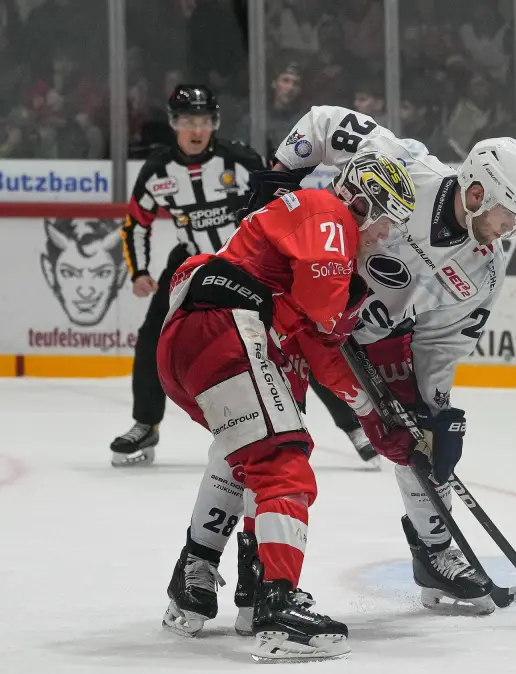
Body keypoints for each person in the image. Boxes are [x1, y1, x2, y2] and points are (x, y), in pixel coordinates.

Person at [243, 105, 516, 613]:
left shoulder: (484, 272)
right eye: (506, 215)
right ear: (477, 194)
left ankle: (436, 557)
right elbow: (323, 123)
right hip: (299, 305)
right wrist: (282, 175)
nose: (509, 229)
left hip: (368, 336)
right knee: (267, 434)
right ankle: (236, 564)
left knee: (419, 436)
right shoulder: (406, 164)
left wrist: (434, 411)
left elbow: (442, 344)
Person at [157, 146, 418, 661]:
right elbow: (323, 309)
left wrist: (370, 413)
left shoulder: (309, 237)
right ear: (364, 203)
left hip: (199, 340)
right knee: (282, 463)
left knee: (249, 455)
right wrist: (347, 308)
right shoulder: (329, 213)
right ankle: (279, 610)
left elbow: (322, 351)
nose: (386, 235)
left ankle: (204, 584)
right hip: (227, 327)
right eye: (387, 221)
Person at [111, 85, 379, 468]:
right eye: (187, 121)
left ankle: (352, 426)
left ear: (215, 122)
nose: (196, 129)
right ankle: (145, 423)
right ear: (173, 123)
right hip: (195, 266)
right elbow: (136, 223)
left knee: (304, 336)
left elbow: (282, 200)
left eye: (204, 120)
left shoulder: (239, 160)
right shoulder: (156, 171)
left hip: (250, 266)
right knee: (153, 337)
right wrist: (139, 271)